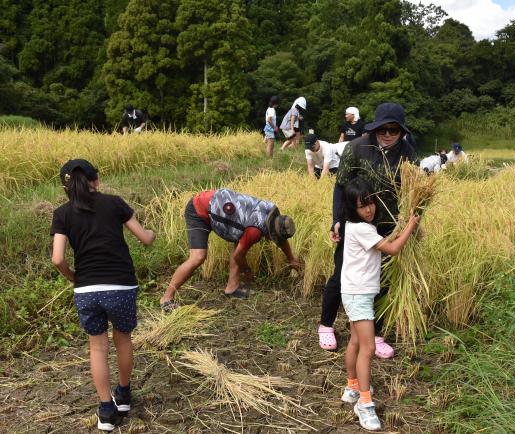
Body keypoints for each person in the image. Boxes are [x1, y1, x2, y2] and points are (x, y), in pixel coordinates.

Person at [50, 159, 156, 432]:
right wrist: (152, 234)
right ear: (96, 180)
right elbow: (144, 238)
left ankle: (106, 411)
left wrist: (74, 277)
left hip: (87, 289)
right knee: (123, 340)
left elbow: (57, 258)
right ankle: (123, 395)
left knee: (97, 347)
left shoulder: (62, 213)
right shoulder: (114, 203)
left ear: (66, 187)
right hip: (121, 285)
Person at [318, 102, 417, 359]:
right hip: (357, 224)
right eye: (383, 129)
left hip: (388, 225)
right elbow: (340, 187)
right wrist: (336, 219)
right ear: (374, 127)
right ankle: (326, 325)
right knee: (342, 274)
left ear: (401, 132)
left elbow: (416, 189)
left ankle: (376, 333)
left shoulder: (407, 153)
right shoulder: (357, 148)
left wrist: (411, 222)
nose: (387, 134)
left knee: (381, 280)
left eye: (393, 130)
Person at [338, 178, 420, 431]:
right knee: (368, 348)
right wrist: (411, 225)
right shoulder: (362, 229)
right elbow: (394, 248)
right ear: (353, 208)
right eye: (362, 206)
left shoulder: (356, 227)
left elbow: (385, 241)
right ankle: (364, 403)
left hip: (353, 292)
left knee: (355, 342)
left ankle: (352, 387)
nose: (369, 209)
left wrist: (403, 226)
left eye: (371, 202)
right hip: (359, 294)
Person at [159, 189, 299, 309]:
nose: (273, 240)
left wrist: (291, 258)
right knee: (198, 257)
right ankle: (166, 298)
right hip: (199, 210)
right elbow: (239, 255)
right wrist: (247, 270)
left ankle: (231, 288)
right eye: (274, 237)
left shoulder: (273, 213)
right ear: (271, 233)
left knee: (239, 240)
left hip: (217, 206)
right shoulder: (255, 230)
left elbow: (281, 241)